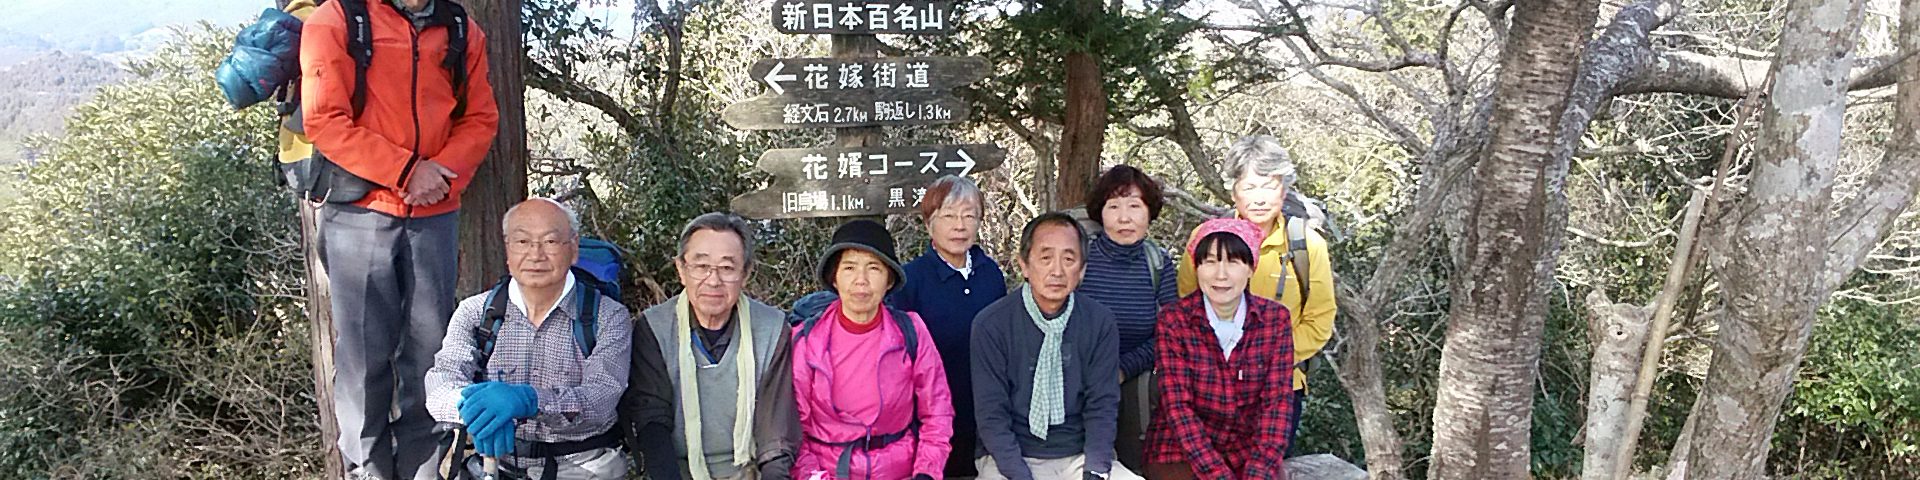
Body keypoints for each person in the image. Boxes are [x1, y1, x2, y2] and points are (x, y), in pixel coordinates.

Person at [300, 0, 499, 477]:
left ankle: (422, 470)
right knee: (362, 357)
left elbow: (480, 117)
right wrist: (407, 171)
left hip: (435, 212)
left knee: (432, 355)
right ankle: (366, 470)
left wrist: (441, 173)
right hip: (359, 212)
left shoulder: (461, 28)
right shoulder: (337, 19)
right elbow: (324, 120)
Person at [423, 199, 632, 479]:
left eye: (550, 241)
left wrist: (529, 400)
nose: (536, 254)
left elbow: (602, 396)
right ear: (508, 249)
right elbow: (441, 380)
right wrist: (475, 409)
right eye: (522, 241)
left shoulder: (607, 315)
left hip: (581, 465)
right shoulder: (476, 312)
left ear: (573, 248)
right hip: (495, 462)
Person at [1174, 136, 1335, 449]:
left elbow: (1319, 320)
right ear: (1233, 191)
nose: (1259, 198)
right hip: (1209, 385)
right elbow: (1186, 306)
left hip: (1279, 387)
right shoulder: (1205, 238)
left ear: (1284, 190)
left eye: (1269, 186)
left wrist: (1264, 360)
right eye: (1249, 187)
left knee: (1265, 466)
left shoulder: (1308, 246)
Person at [970, 213, 1142, 480]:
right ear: (1024, 265)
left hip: (1078, 455)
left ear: (1082, 270)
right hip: (1009, 458)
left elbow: (1102, 405)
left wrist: (1095, 469)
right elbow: (991, 416)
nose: (1057, 271)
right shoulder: (992, 324)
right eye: (1046, 258)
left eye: (1069, 259)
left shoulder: (1099, 322)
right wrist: (1019, 474)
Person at [783, 220, 954, 479]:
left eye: (874, 268)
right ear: (835, 278)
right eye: (849, 268)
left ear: (889, 280)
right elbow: (793, 429)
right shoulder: (806, 341)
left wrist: (926, 472)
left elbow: (937, 412)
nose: (861, 281)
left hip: (901, 472)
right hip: (827, 471)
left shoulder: (911, 331)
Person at [630, 213, 793, 480]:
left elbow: (775, 433)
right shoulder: (654, 327)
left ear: (745, 273)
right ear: (681, 269)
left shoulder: (772, 328)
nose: (713, 280)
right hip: (677, 471)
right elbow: (651, 418)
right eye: (701, 266)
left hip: (750, 471)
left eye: (727, 268)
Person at [1149, 219, 1295, 480]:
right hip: (1182, 448)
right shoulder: (1174, 320)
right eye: (1210, 261)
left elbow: (1277, 404)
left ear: (1250, 268)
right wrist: (1219, 476)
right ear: (1196, 267)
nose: (1221, 274)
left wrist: (1259, 471)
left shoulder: (1275, 320)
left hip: (1245, 446)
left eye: (1233, 262)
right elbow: (1178, 407)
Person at [889, 175, 1008, 477]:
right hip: (930, 417)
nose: (960, 226)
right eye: (949, 216)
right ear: (929, 222)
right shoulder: (911, 280)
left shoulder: (990, 274)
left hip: (986, 412)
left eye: (969, 216)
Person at [1075, 165, 1179, 470]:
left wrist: (1123, 369)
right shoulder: (1079, 259)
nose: (1124, 218)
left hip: (1136, 384)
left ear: (1149, 212)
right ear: (1100, 212)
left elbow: (1170, 334)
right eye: (1114, 206)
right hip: (1078, 381)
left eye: (1134, 206)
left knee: (1134, 464)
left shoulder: (1158, 263)